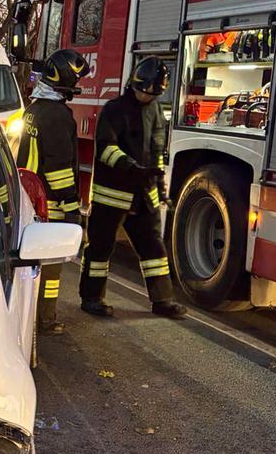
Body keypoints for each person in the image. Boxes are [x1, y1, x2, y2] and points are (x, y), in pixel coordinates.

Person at [79, 58, 187, 320]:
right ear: (134, 84)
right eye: (144, 92)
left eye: (153, 94)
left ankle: (163, 300)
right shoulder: (114, 110)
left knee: (153, 248)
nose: (147, 97)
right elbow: (105, 148)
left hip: (144, 193)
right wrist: (132, 167)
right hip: (112, 194)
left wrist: (159, 184)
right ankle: (92, 298)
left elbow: (158, 148)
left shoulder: (155, 110)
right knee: (100, 248)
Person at [16, 49, 89, 334]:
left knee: (31, 264)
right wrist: (72, 207)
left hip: (29, 198)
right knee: (52, 268)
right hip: (50, 203)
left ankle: (31, 314)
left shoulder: (34, 109)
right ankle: (44, 320)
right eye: (77, 77)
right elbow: (59, 168)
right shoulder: (58, 116)